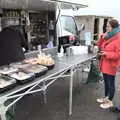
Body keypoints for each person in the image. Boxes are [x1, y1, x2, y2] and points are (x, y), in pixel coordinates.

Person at [95, 19, 120, 109]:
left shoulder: (118, 37)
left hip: (111, 65)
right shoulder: (108, 36)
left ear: (114, 27)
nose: (106, 28)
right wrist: (102, 37)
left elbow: (118, 54)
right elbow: (99, 45)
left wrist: (106, 54)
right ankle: (106, 97)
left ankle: (110, 101)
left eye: (108, 26)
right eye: (106, 26)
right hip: (104, 63)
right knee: (106, 83)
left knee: (110, 83)